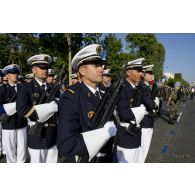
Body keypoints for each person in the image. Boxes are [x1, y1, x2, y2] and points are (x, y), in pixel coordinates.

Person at [57, 44, 117, 163]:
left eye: (101, 65)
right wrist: (103, 134)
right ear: (82, 70)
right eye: (96, 65)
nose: (101, 69)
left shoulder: (104, 93)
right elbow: (66, 144)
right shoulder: (71, 97)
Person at [16, 54, 59, 163]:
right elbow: (22, 111)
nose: (45, 70)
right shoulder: (25, 88)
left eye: (46, 67)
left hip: (53, 135)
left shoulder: (53, 88)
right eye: (42, 67)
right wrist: (46, 110)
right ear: (33, 69)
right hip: (37, 135)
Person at [115, 58, 146, 163]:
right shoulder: (123, 88)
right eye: (138, 71)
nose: (141, 74)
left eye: (141, 71)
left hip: (135, 135)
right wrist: (142, 110)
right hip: (126, 137)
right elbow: (124, 114)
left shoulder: (134, 88)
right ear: (128, 72)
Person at [0, 64, 28, 163]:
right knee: (10, 153)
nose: (15, 74)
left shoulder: (24, 87)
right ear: (7, 75)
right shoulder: (2, 89)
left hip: (22, 123)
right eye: (12, 73)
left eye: (16, 72)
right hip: (8, 124)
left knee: (22, 152)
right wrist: (10, 107)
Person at [138, 65, 159, 162]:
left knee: (144, 148)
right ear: (143, 74)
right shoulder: (143, 87)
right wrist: (156, 105)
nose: (151, 75)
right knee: (143, 148)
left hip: (148, 120)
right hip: (145, 121)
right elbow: (150, 103)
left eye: (152, 73)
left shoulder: (146, 86)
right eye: (149, 73)